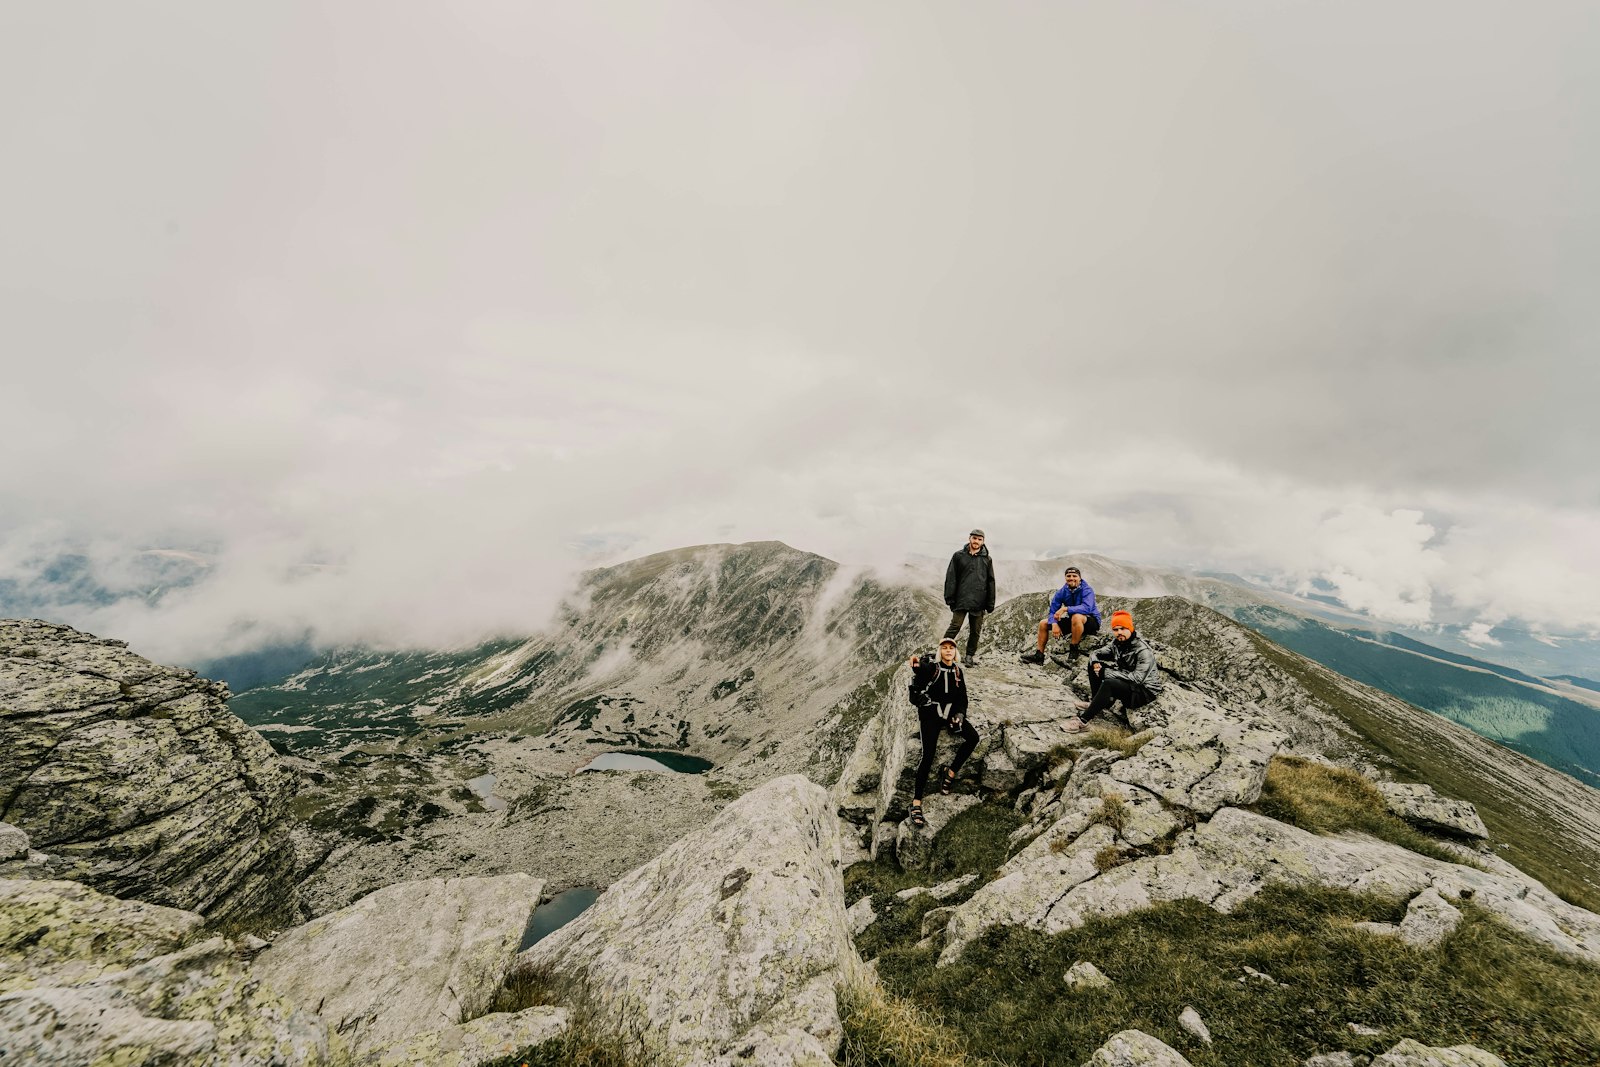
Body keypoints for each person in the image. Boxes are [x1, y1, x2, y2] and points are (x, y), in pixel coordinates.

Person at [906, 637, 981, 827]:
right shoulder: (932, 668)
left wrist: (960, 716)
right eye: (945, 648)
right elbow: (917, 677)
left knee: (973, 738)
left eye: (951, 648)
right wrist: (915, 663)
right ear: (940, 652)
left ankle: (951, 772)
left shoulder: (958, 671)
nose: (948, 651)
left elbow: (962, 698)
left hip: (949, 714)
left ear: (955, 652)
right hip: (930, 715)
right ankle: (916, 803)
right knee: (928, 755)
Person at [1066, 609, 1162, 732]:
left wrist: (1106, 673)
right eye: (1116, 630)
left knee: (1109, 683)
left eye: (1122, 628)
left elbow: (1138, 678)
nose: (1119, 632)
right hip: (1129, 683)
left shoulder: (1143, 650)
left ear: (1130, 628)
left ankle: (1082, 722)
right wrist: (1095, 663)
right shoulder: (1117, 644)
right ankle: (1096, 703)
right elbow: (1096, 653)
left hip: (1144, 691)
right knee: (1094, 665)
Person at [1019, 565, 1100, 664]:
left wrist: (1065, 609)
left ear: (1080, 578)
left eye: (1074, 576)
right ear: (1065, 578)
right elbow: (1053, 611)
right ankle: (1039, 655)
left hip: (1091, 622)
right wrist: (1054, 624)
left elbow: (1087, 608)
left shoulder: (1087, 590)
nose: (1071, 578)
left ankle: (1074, 649)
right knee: (1043, 623)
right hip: (1074, 623)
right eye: (1068, 576)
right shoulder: (1062, 592)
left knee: (1076, 616)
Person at [943, 529, 996, 667]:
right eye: (974, 538)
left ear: (983, 542)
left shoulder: (987, 559)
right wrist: (950, 598)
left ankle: (969, 657)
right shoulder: (958, 556)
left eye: (979, 539)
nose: (976, 541)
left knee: (975, 631)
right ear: (969, 539)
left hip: (979, 601)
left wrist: (990, 603)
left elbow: (991, 581)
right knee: (955, 626)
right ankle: (942, 651)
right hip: (961, 599)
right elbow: (951, 577)